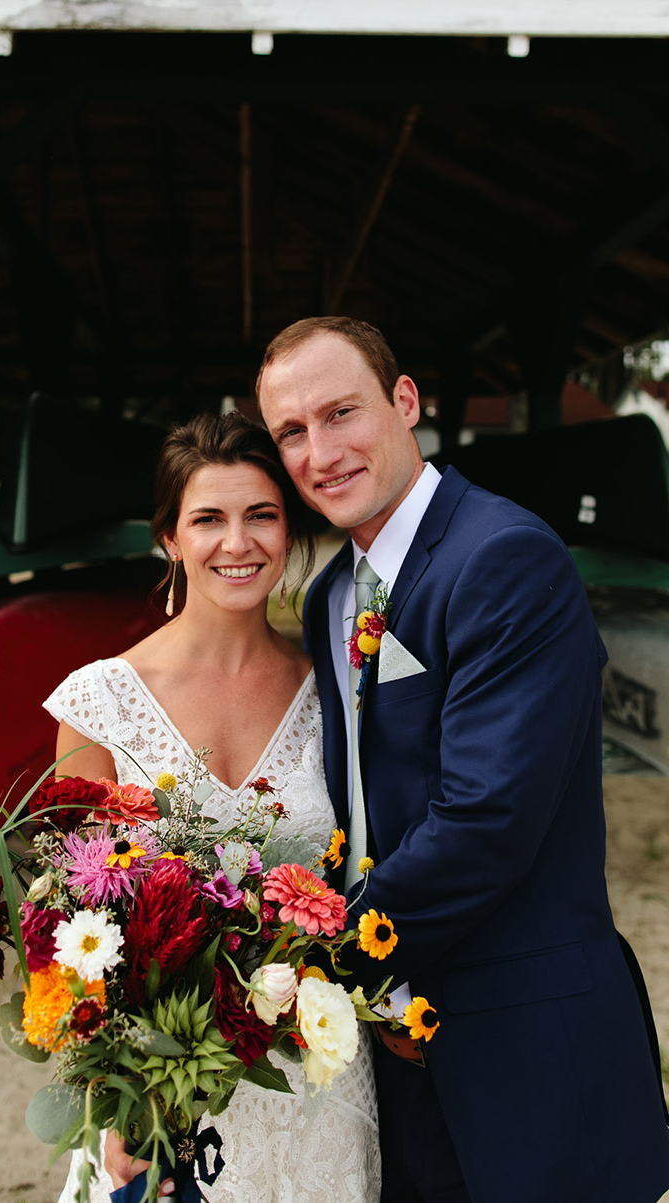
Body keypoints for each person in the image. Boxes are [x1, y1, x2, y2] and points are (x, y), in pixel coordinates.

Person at [256, 315, 669, 1203]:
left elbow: (487, 820)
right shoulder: (331, 594)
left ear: (406, 402)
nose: (319, 451)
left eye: (341, 412)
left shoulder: (506, 557)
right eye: (291, 431)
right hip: (394, 1053)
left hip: (526, 1042)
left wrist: (323, 968)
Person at [44, 411, 382, 1203]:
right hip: (163, 1091)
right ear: (169, 537)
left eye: (261, 515)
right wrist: (114, 1091)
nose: (238, 543)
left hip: (315, 1084)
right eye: (209, 518)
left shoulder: (336, 690)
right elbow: (75, 924)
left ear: (290, 528)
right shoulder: (100, 702)